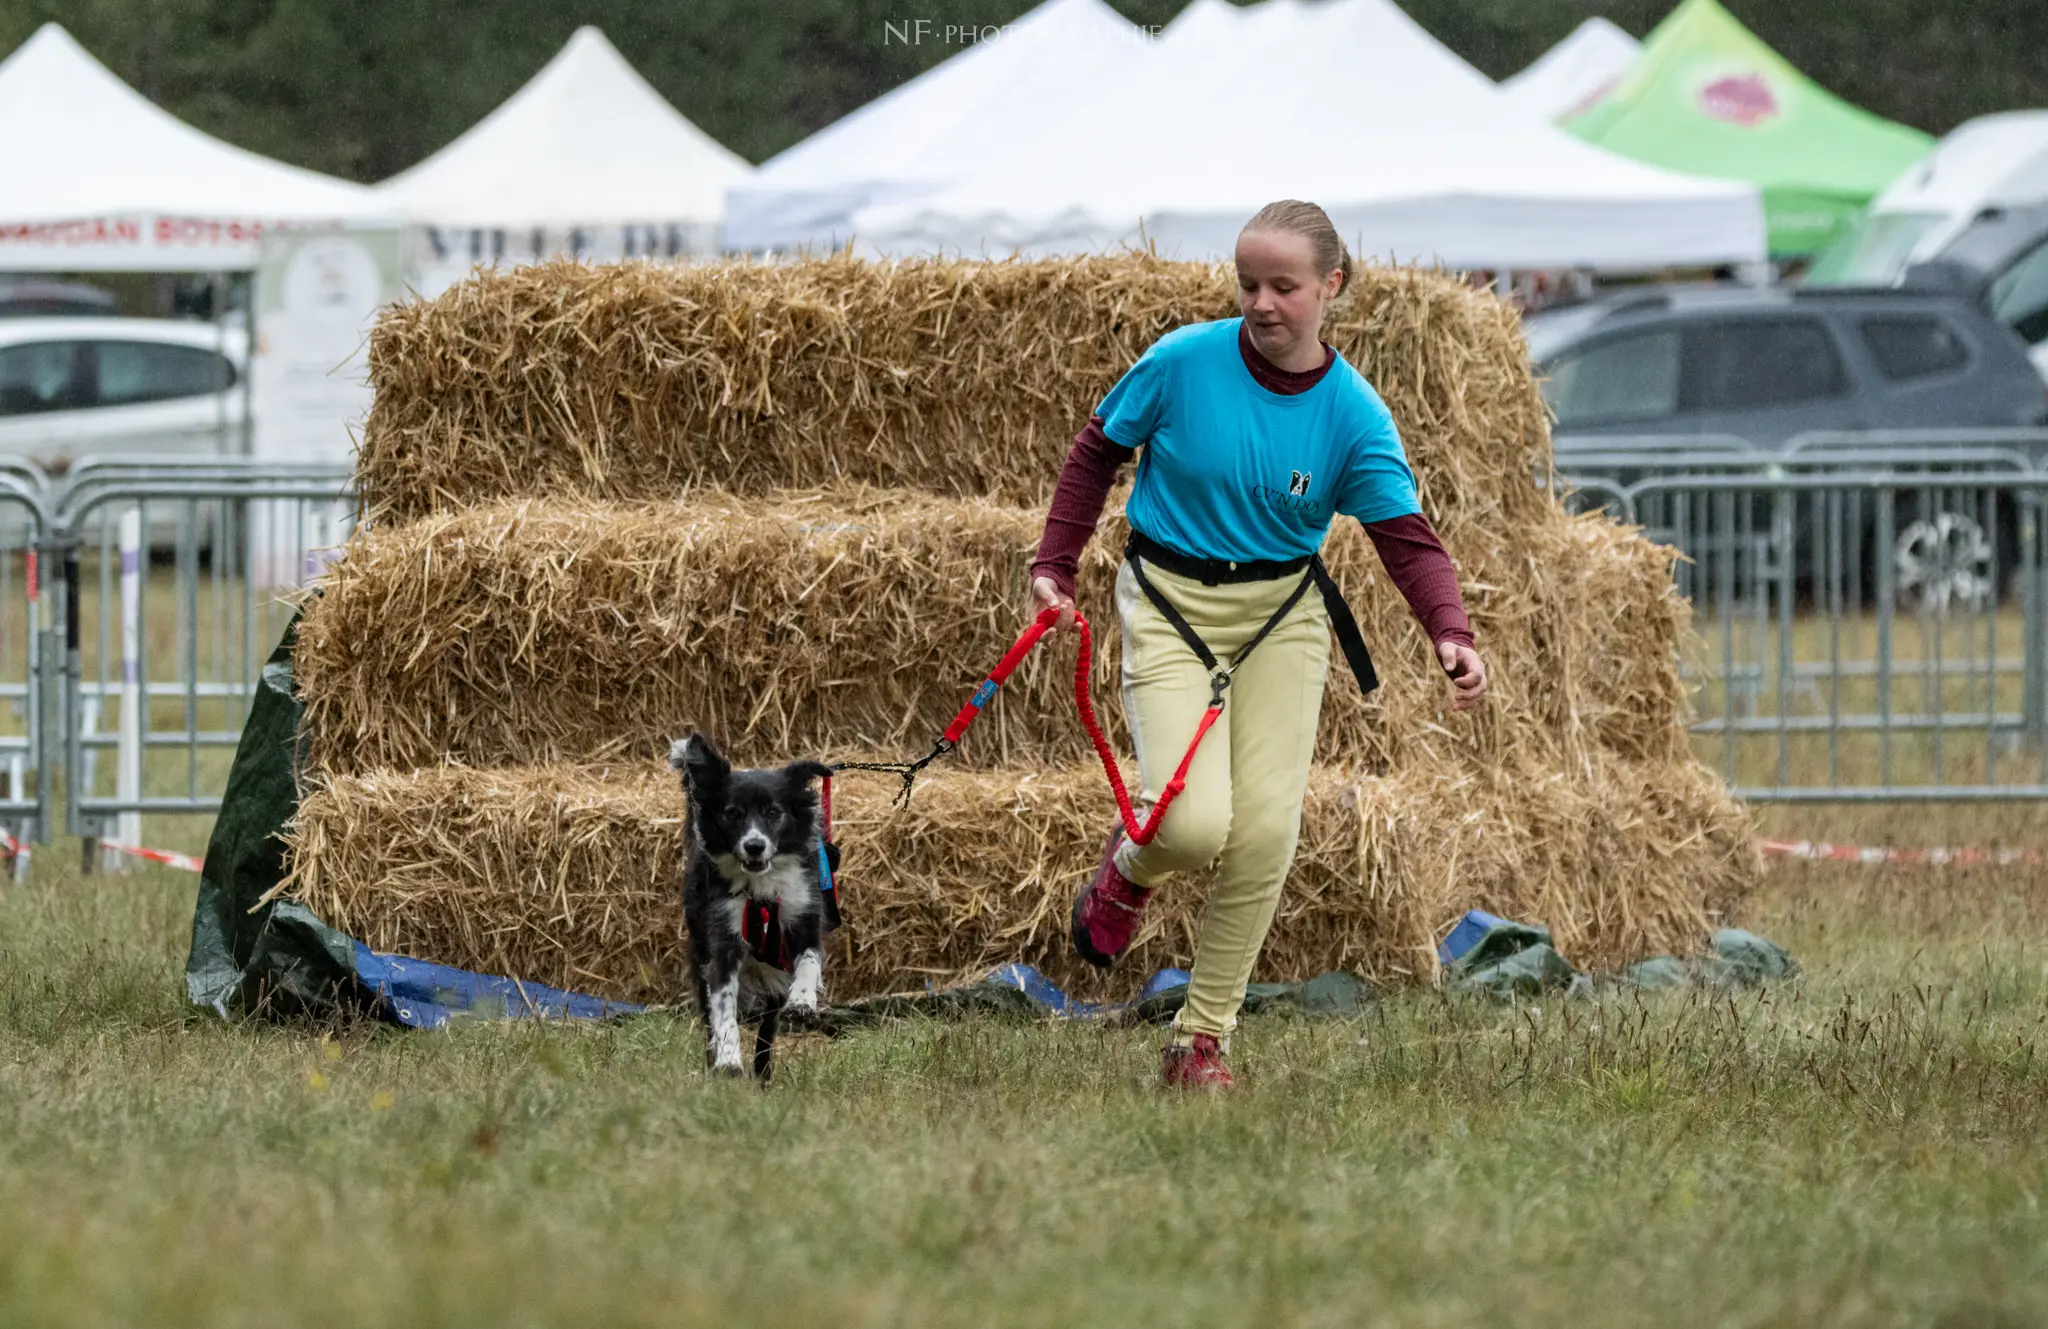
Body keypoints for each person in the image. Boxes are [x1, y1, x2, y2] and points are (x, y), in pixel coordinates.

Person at [1028, 199, 1489, 1090]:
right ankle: (1128, 872)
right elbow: (1095, 452)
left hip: (1281, 617)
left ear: (1332, 288)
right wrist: (1057, 559)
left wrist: (1451, 632)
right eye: (1248, 284)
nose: (1264, 303)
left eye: (1285, 286)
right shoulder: (1181, 363)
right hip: (1168, 602)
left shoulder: (1354, 415)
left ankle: (1202, 1039)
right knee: (1192, 823)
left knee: (1265, 831)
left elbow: (1406, 538)